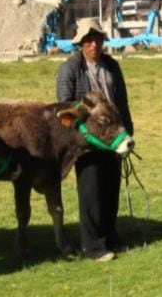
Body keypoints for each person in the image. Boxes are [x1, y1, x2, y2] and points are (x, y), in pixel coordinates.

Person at [55, 18, 133, 261]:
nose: (93, 45)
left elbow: (122, 102)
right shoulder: (70, 69)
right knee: (91, 192)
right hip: (88, 140)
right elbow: (66, 103)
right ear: (81, 44)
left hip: (114, 136)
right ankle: (93, 246)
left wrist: (128, 131)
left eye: (97, 40)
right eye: (88, 41)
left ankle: (110, 237)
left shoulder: (111, 66)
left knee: (111, 188)